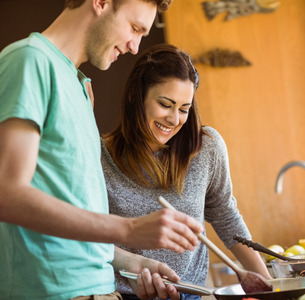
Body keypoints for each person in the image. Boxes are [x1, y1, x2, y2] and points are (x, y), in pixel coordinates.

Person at [0, 1, 204, 299]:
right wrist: (129, 229)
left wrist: (131, 263)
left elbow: (74, 216)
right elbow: (7, 194)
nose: (135, 47)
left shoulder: (81, 86)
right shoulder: (30, 61)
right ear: (101, 3)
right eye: (135, 28)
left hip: (100, 290)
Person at [101, 43, 271, 300]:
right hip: (120, 294)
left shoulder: (207, 148)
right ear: (135, 97)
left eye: (184, 108)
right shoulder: (100, 155)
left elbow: (226, 216)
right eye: (165, 104)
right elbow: (88, 235)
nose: (174, 119)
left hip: (189, 293)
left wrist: (269, 286)